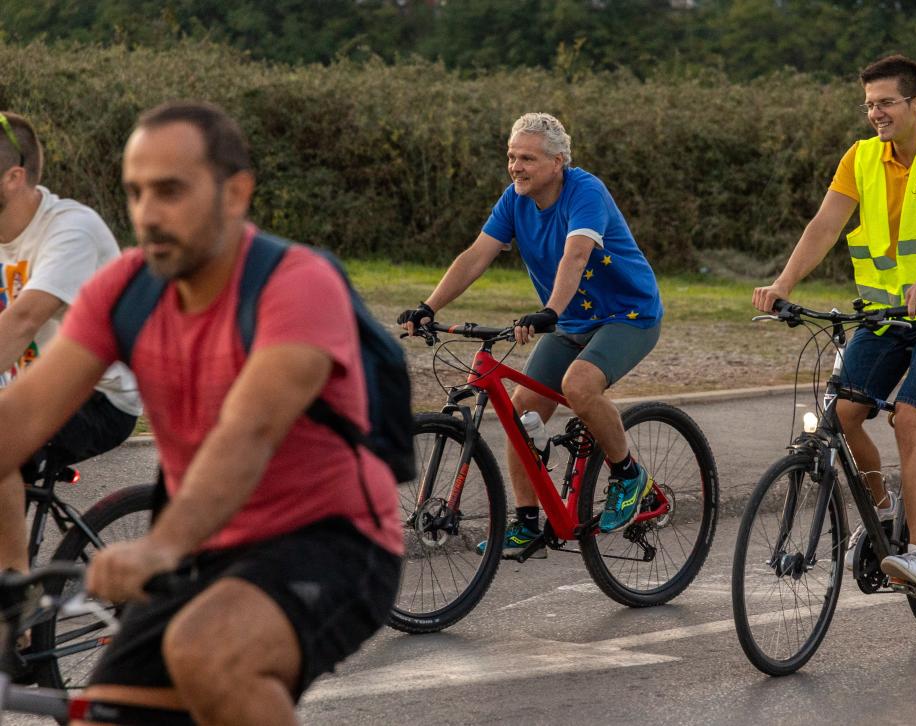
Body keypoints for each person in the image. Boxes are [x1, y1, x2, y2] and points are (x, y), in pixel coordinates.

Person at [0, 101, 402, 725]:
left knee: (209, 653)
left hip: (331, 542)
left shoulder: (295, 284)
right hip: (203, 549)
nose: (148, 215)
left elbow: (248, 433)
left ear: (236, 192)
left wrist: (159, 547)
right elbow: (19, 418)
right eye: (136, 193)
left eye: (170, 191)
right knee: (104, 714)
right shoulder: (125, 288)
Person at [752, 54, 916, 601]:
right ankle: (882, 513)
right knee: (841, 415)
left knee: (909, 420)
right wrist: (784, 283)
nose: (874, 113)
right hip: (883, 318)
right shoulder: (860, 158)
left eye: (885, 102)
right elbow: (825, 224)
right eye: (868, 104)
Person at [399, 112, 663, 556]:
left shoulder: (586, 191)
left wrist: (549, 311)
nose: (516, 167)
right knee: (523, 416)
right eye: (511, 157)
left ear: (558, 161)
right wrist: (430, 306)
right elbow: (475, 256)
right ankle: (527, 524)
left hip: (628, 315)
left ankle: (629, 475)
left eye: (527, 158)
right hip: (570, 322)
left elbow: (575, 256)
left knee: (578, 384)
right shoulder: (514, 199)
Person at [0, 111, 142, 577]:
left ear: (13, 177)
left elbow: (23, 319)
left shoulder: (69, 230)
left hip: (100, 398)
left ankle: (12, 604)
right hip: (33, 392)